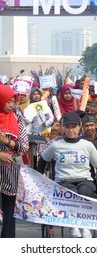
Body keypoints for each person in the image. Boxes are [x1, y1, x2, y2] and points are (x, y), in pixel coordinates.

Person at [37, 111, 97, 238]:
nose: (71, 130)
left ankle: (85, 225)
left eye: (74, 127)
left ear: (79, 127)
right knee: (71, 194)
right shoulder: (56, 146)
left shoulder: (87, 145)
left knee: (83, 192)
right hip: (63, 181)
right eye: (67, 127)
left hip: (85, 179)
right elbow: (43, 159)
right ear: (63, 128)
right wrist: (40, 176)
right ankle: (74, 225)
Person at [0, 85, 29, 237]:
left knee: (9, 213)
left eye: (13, 101)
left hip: (10, 172)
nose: (11, 105)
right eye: (8, 101)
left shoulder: (16, 117)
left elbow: (24, 146)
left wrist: (8, 142)